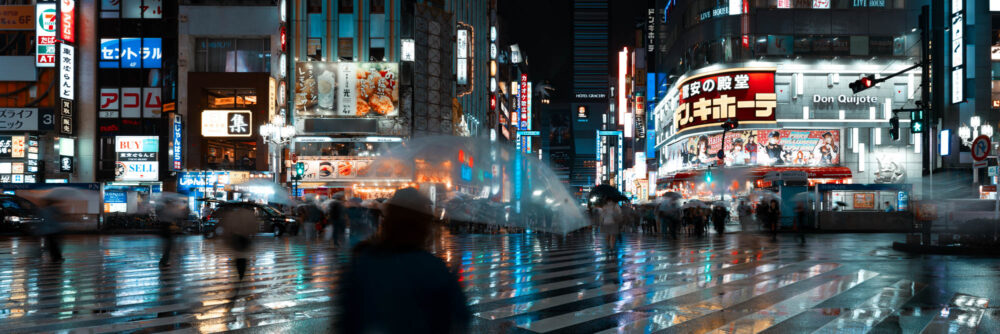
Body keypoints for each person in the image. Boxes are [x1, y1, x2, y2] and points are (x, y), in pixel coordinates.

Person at [335, 188, 470, 333]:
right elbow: (458, 319)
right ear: (423, 226)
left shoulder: (362, 262)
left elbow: (348, 321)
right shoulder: (434, 268)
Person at [35, 198, 65, 263]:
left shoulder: (42, 210)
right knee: (55, 244)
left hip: (46, 230)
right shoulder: (53, 209)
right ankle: (57, 257)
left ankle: (54, 257)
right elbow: (60, 215)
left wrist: (38, 230)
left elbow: (40, 221)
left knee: (50, 244)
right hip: (54, 230)